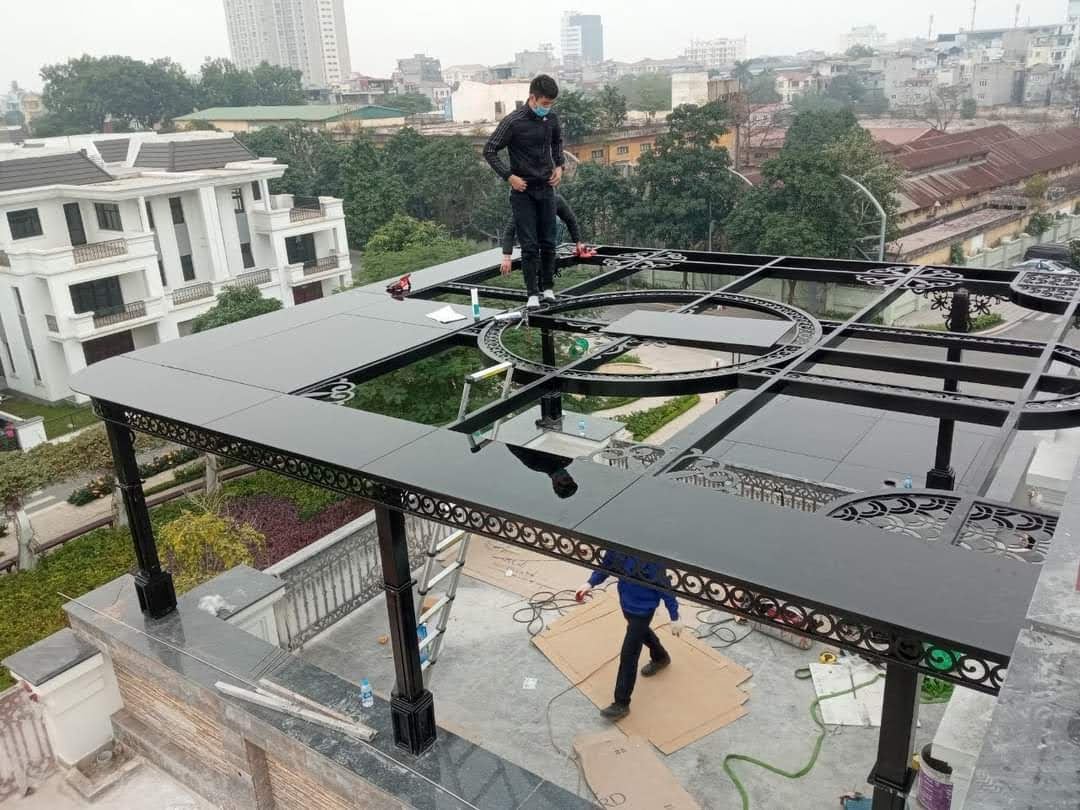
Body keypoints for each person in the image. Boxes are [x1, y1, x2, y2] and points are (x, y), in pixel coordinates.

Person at [484, 74, 564, 310]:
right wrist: (509, 176)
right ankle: (532, 294)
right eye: (544, 103)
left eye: (551, 104)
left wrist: (559, 166)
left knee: (548, 241)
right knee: (529, 245)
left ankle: (548, 288)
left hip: (546, 187)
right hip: (523, 191)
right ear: (533, 98)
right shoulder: (513, 122)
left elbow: (557, 142)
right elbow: (489, 150)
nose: (547, 108)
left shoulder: (551, 119)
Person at [576, 552, 681, 719]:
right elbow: (607, 565)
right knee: (640, 632)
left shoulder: (652, 558)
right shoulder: (619, 548)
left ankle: (621, 703)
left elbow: (665, 588)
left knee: (629, 653)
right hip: (626, 601)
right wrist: (590, 583)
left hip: (644, 609)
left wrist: (675, 616)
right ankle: (660, 657)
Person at [499, 194, 584, 277]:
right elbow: (510, 231)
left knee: (557, 220)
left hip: (550, 238)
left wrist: (578, 243)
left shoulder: (556, 200)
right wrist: (507, 257)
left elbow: (570, 220)